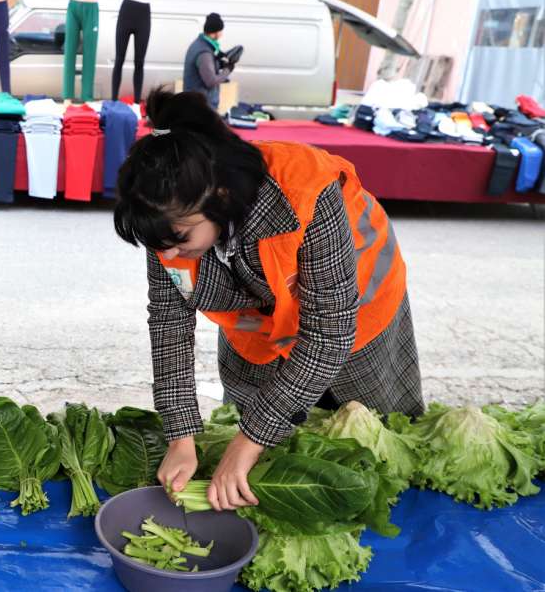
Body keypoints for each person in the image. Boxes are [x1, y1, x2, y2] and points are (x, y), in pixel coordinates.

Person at [113, 88, 424, 512]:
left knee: (368, 432)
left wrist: (249, 441)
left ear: (219, 197)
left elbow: (329, 334)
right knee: (264, 448)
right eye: (157, 245)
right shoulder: (168, 221)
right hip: (257, 324)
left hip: (356, 313)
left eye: (179, 240)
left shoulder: (304, 190)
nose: (167, 256)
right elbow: (169, 323)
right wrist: (181, 437)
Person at [183, 12, 232, 112]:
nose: (222, 34)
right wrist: (228, 70)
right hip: (202, 107)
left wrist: (220, 63)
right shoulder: (204, 53)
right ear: (215, 32)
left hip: (196, 103)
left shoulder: (200, 44)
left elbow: (206, 68)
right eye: (221, 31)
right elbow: (211, 81)